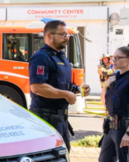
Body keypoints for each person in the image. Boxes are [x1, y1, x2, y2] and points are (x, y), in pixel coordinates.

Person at [28, 20, 89, 150]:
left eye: (67, 35)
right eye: (63, 35)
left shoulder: (62, 57)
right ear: (49, 36)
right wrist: (65, 94)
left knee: (63, 156)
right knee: (48, 159)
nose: (66, 38)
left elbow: (63, 84)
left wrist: (77, 89)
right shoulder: (41, 57)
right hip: (46, 119)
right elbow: (37, 87)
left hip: (61, 120)